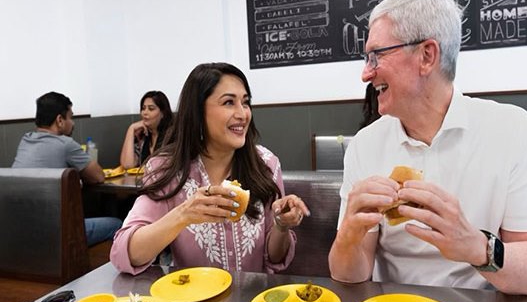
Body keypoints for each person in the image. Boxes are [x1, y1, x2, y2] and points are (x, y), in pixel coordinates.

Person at [328, 0, 527, 295]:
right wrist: (349, 236)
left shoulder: (514, 130)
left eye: (377, 55)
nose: (366, 73)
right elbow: (349, 276)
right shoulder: (364, 145)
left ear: (427, 55)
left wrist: (478, 247)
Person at [110, 62, 310, 275]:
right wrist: (183, 214)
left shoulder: (266, 164)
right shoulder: (165, 168)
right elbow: (124, 252)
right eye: (228, 103)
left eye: (245, 102)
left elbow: (275, 258)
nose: (243, 114)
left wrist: (281, 225)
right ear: (198, 111)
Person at [12, 92, 122, 246]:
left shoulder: (26, 140)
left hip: (19, 231)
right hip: (55, 232)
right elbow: (98, 177)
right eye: (71, 117)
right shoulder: (65, 144)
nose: (73, 123)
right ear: (59, 120)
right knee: (117, 225)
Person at [120, 90, 173, 169]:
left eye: (151, 109)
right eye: (143, 108)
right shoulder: (142, 135)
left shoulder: (172, 134)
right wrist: (131, 129)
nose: (145, 112)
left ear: (163, 113)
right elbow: (127, 165)